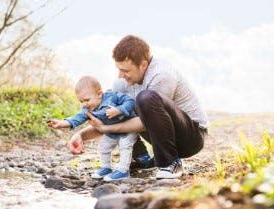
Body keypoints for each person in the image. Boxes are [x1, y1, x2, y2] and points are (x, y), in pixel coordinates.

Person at [68, 35, 209, 179]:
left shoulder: (162, 75)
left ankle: (170, 163)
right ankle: (141, 159)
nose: (121, 75)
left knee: (145, 98)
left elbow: (145, 121)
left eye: (126, 70)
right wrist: (80, 135)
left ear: (143, 65)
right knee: (123, 110)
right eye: (119, 69)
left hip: (192, 137)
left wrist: (106, 129)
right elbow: (109, 119)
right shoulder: (121, 83)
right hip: (163, 134)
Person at [47, 75, 138, 181]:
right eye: (81, 101)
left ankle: (123, 171)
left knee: (125, 146)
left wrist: (119, 110)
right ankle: (106, 168)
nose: (84, 104)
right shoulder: (88, 108)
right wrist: (62, 123)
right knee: (103, 147)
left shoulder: (112, 96)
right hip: (111, 132)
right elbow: (78, 117)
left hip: (127, 128)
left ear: (99, 94)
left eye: (87, 100)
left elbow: (130, 101)